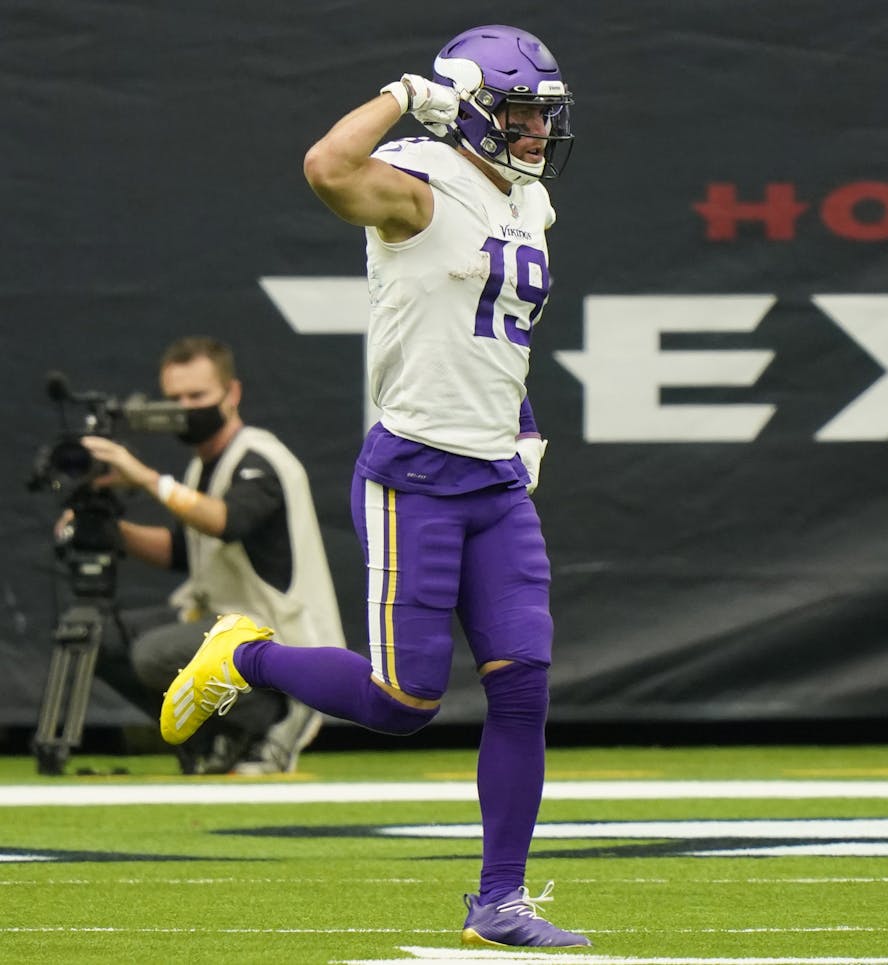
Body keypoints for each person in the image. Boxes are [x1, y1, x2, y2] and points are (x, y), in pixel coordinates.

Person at [156, 25, 587, 948]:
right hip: (419, 475)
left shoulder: (529, 202)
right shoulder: (418, 189)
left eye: (542, 118)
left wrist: (521, 421)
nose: (535, 135)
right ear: (466, 106)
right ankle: (243, 655)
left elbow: (492, 335)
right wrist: (405, 92)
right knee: (403, 701)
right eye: (517, 114)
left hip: (497, 480)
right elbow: (324, 164)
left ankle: (499, 900)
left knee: (523, 690)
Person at [76, 336, 344, 775]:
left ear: (231, 394)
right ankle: (215, 735)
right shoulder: (200, 468)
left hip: (280, 637)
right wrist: (109, 530)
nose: (186, 407)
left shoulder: (261, 457)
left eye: (197, 396)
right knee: (98, 638)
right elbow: (187, 551)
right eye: (175, 399)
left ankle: (268, 716)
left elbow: (225, 521)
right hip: (224, 622)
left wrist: (146, 480)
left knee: (153, 654)